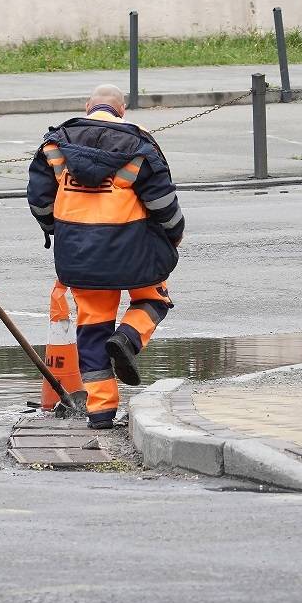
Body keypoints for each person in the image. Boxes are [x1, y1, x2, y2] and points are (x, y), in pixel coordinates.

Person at [26, 84, 184, 430]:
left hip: (79, 254)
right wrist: (174, 235)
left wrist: (58, 229)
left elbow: (39, 199)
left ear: (87, 106)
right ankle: (128, 337)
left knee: (92, 329)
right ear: (122, 111)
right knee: (154, 298)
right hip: (132, 250)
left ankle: (100, 413)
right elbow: (162, 203)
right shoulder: (140, 144)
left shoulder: (55, 144)